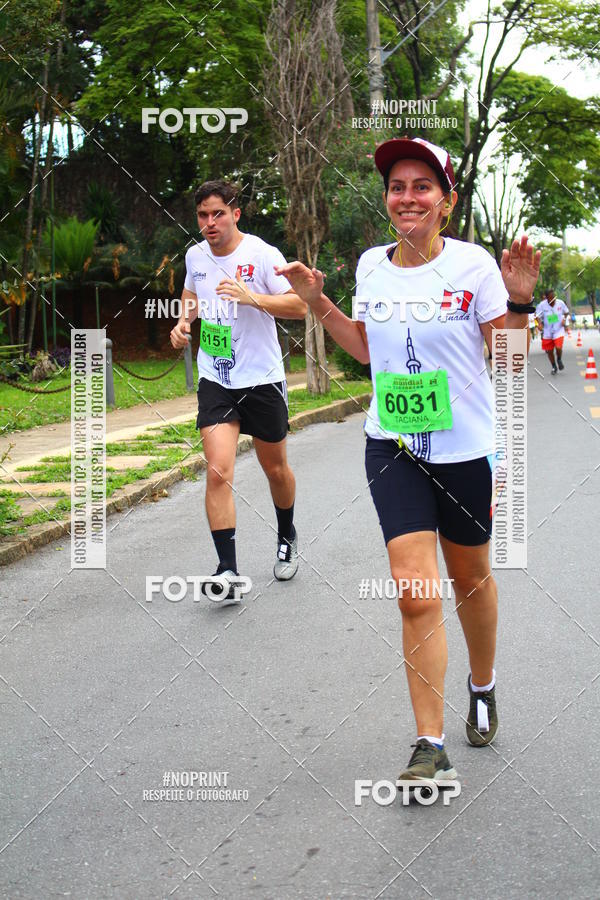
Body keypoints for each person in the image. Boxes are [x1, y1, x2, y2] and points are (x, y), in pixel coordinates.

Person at [276, 137, 540, 787]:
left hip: (465, 451)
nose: (408, 197)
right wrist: (319, 302)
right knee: (415, 591)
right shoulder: (372, 267)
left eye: (423, 185)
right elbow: (365, 352)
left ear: (446, 201)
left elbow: (506, 359)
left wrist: (521, 301)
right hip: (391, 445)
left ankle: (484, 684)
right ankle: (430, 743)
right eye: (397, 186)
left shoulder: (475, 267)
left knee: (471, 580)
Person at [170, 180, 307, 605]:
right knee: (218, 469)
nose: (210, 223)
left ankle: (287, 533)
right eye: (202, 216)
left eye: (218, 214)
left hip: (262, 378)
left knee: (275, 469)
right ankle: (227, 570)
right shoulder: (195, 255)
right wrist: (183, 322)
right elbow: (192, 292)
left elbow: (299, 306)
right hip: (217, 378)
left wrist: (252, 297)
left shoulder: (262, 255)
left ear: (236, 214)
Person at [535, 289, 569, 374]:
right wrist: (539, 324)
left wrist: (564, 320)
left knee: (558, 347)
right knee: (549, 351)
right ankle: (554, 366)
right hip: (547, 331)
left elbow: (566, 312)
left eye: (554, 297)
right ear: (546, 298)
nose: (553, 299)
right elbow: (537, 316)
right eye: (550, 298)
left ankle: (559, 359)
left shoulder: (560, 303)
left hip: (559, 329)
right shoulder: (542, 305)